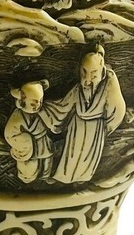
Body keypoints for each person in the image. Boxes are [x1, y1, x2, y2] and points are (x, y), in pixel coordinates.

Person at [48, 47, 126, 184]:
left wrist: (107, 126)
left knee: (89, 153)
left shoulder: (108, 86)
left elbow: (117, 108)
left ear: (102, 72)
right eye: (84, 72)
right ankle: (63, 176)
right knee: (72, 153)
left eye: (93, 75)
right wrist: (47, 109)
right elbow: (64, 105)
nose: (88, 79)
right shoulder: (78, 89)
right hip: (77, 124)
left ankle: (83, 177)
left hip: (95, 127)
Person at [4, 80, 54, 183]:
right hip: (28, 147)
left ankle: (46, 175)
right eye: (32, 103)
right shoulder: (18, 115)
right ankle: (27, 175)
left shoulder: (43, 111)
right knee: (30, 162)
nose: (38, 106)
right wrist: (21, 143)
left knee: (47, 156)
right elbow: (10, 133)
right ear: (22, 102)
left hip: (42, 140)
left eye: (40, 101)